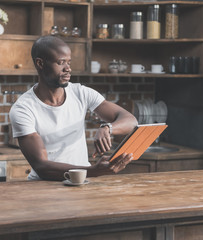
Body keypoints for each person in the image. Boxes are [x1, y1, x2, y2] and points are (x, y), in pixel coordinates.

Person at [9, 36, 138, 181]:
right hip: (43, 187)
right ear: (40, 63)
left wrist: (107, 128)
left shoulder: (81, 93)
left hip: (81, 183)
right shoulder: (23, 108)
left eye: (69, 62)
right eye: (61, 62)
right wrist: (93, 171)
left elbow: (131, 121)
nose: (68, 69)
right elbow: (42, 167)